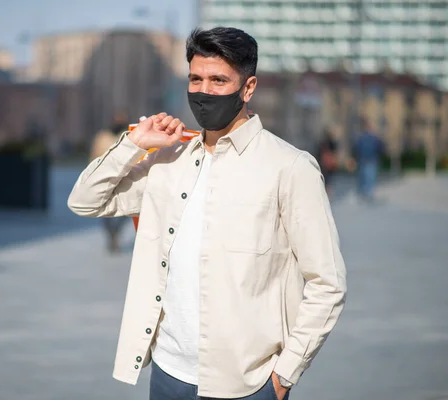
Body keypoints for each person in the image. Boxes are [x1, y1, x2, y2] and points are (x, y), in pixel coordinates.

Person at [69, 27, 347, 400]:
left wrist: (283, 376)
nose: (204, 91)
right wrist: (134, 143)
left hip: (246, 384)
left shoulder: (290, 167)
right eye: (195, 79)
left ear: (247, 89)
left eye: (218, 80)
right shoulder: (168, 159)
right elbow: (85, 200)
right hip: (168, 374)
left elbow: (327, 283)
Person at [88, 113, 130, 252]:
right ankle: (112, 234)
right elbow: (94, 155)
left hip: (124, 178)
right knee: (105, 211)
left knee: (125, 211)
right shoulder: (103, 136)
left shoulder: (127, 136)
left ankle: (116, 232)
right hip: (104, 178)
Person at [353, 120, 384, 202]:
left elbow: (357, 148)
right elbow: (381, 148)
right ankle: (367, 194)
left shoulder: (362, 137)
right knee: (369, 177)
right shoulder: (374, 138)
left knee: (365, 177)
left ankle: (364, 194)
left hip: (365, 160)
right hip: (370, 160)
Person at [317, 128, 339, 197]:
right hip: (329, 164)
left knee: (326, 179)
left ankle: (326, 191)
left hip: (325, 164)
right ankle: (328, 191)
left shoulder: (323, 143)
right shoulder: (332, 143)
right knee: (329, 179)